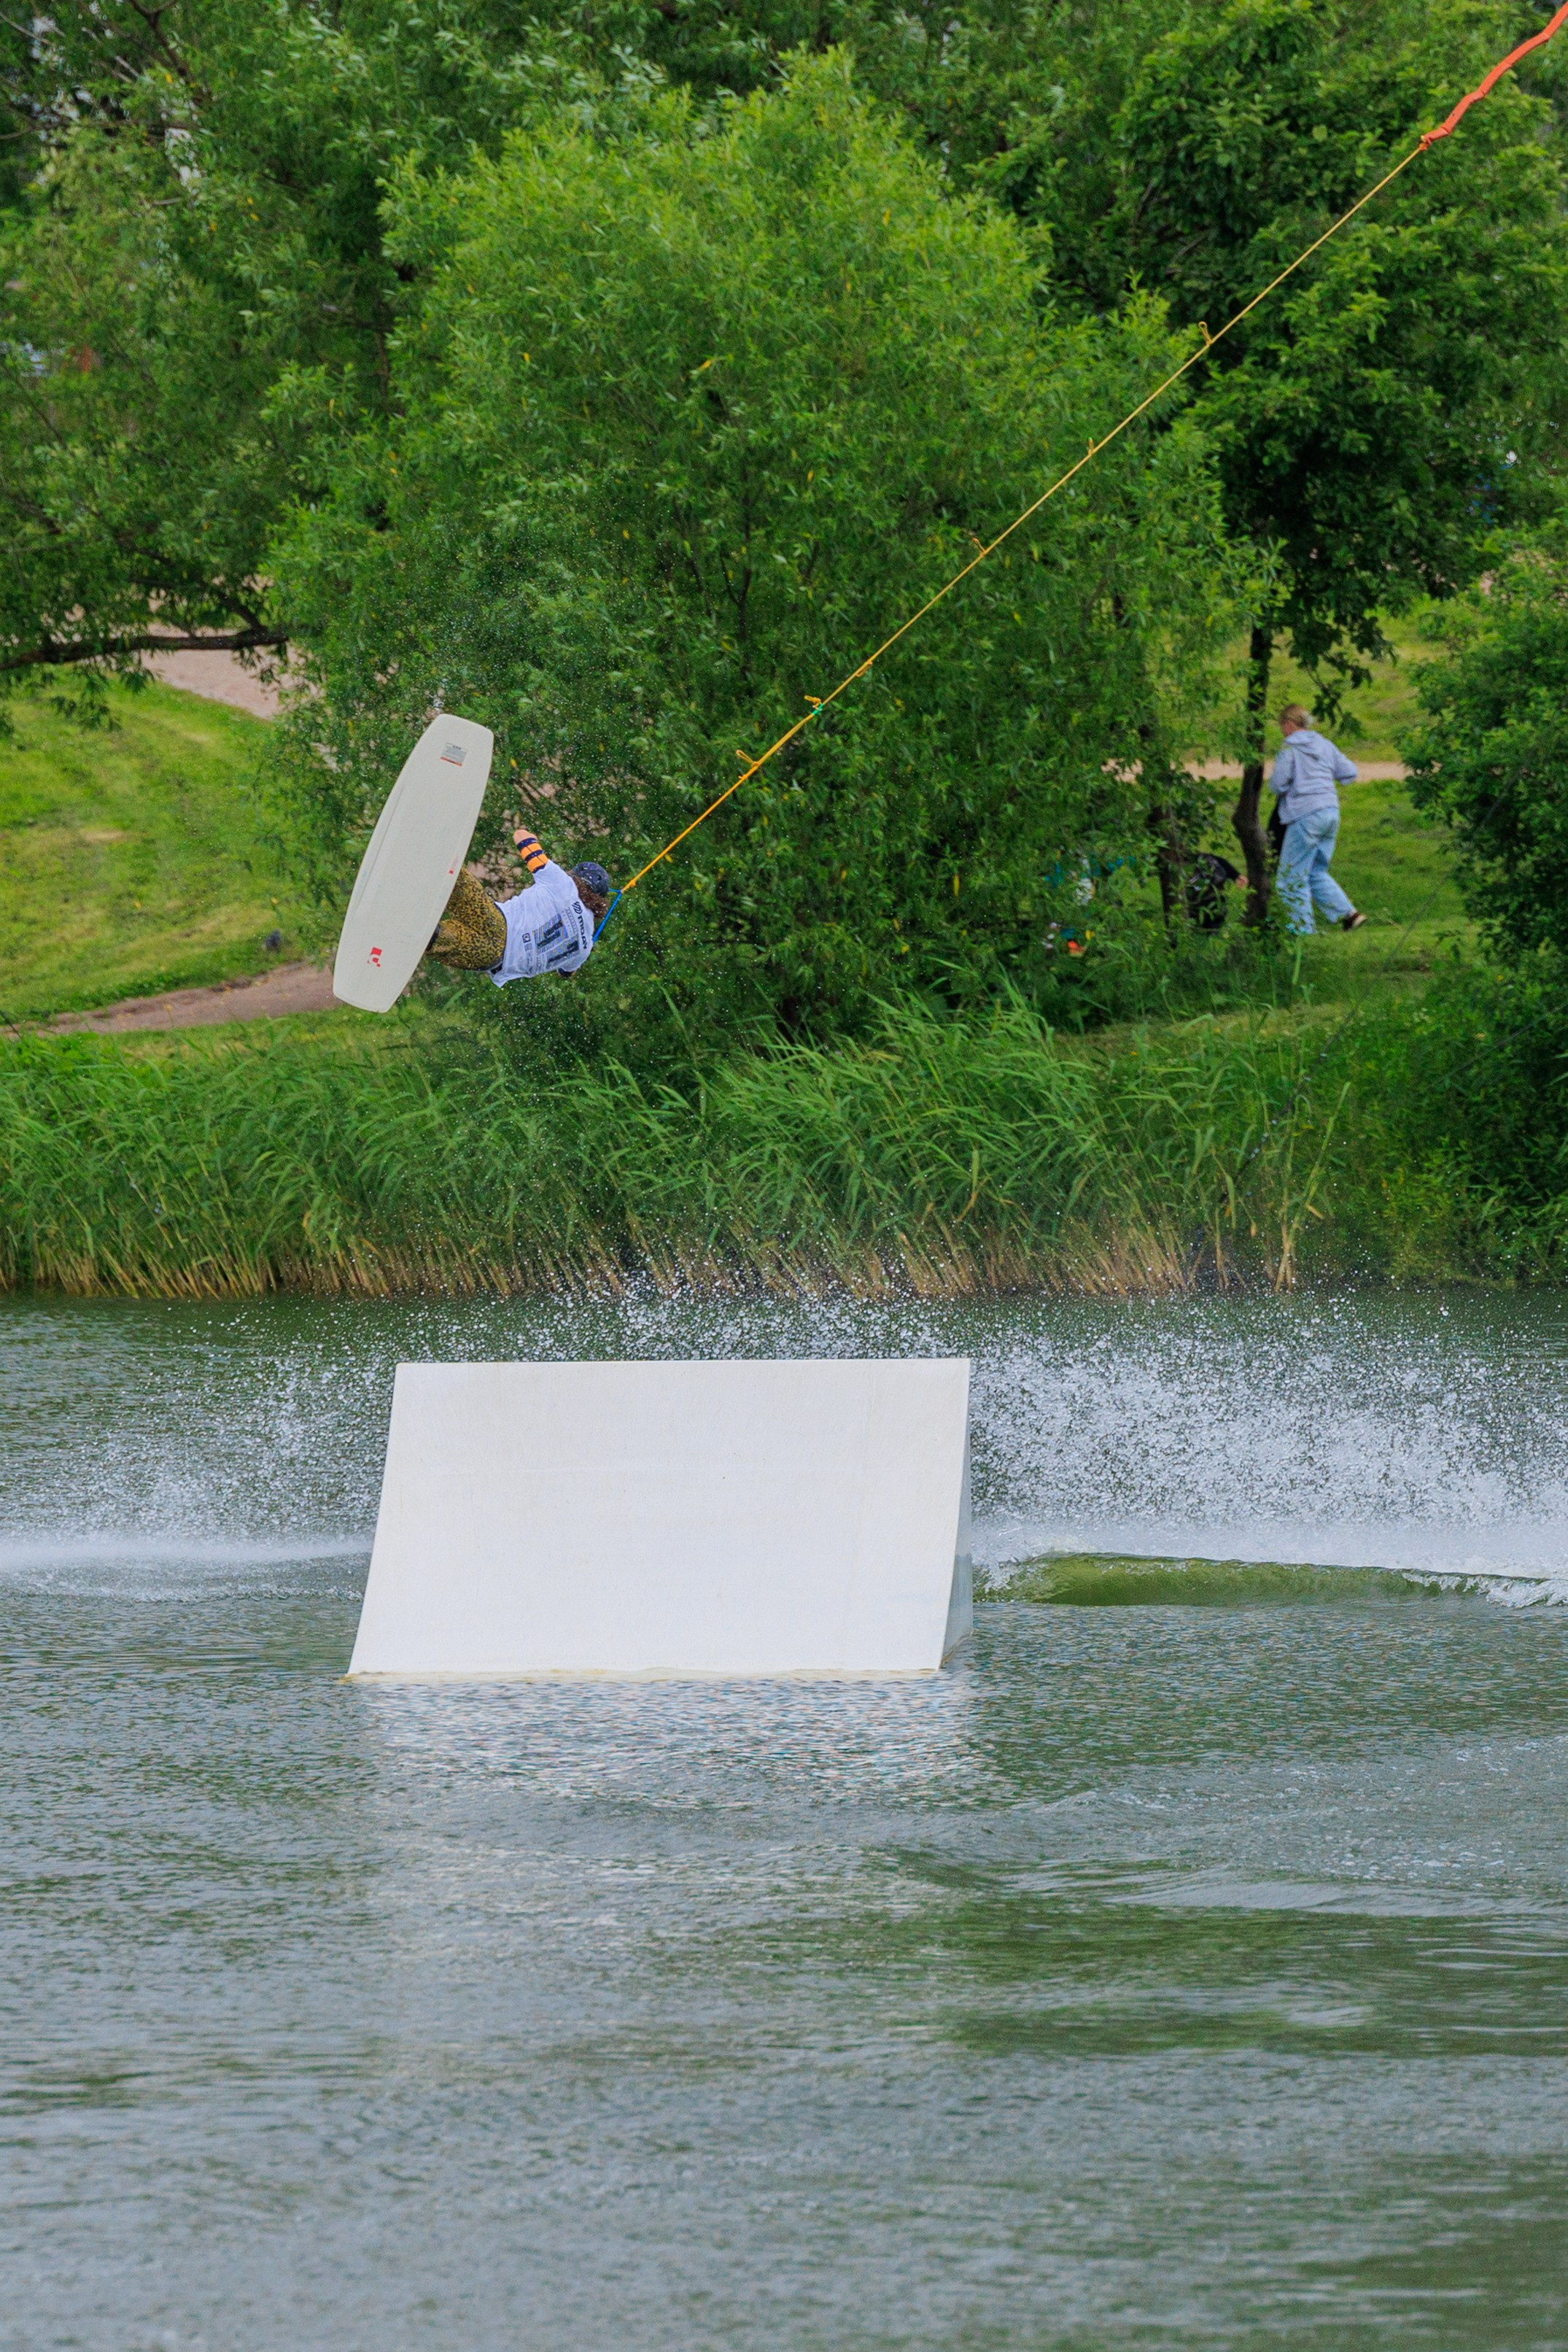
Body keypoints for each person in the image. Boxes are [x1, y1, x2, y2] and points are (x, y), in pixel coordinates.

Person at [427, 829, 613, 985]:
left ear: (576, 876)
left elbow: (521, 837)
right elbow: (566, 973)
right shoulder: (585, 947)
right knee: (429, 937)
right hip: (489, 959)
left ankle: (425, 849)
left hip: (495, 923)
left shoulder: (564, 884)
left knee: (450, 875)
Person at [1269, 704, 1367, 934]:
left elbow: (1277, 784)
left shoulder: (1290, 749)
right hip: (1330, 812)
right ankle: (1349, 914)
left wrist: (1296, 787)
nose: (1282, 731)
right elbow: (1349, 772)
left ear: (1289, 724)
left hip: (1305, 815)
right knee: (1315, 871)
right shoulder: (1325, 745)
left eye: (1282, 725)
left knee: (1289, 879)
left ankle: (1303, 933)